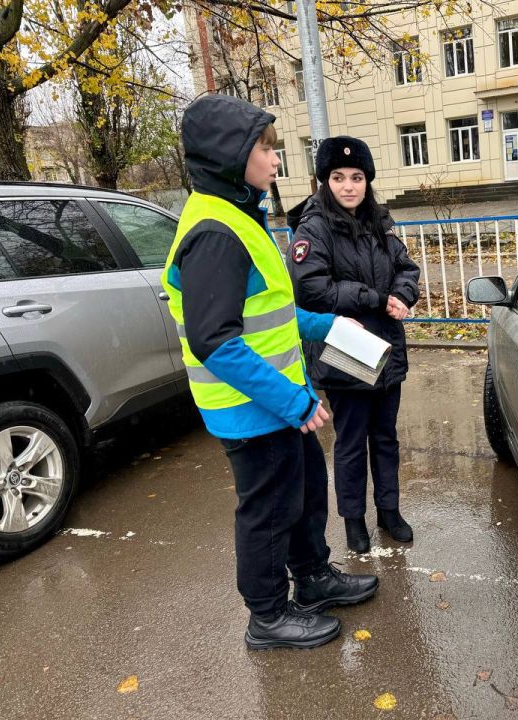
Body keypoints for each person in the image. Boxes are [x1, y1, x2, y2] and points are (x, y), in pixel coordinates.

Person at [161, 96, 377, 651]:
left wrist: (324, 324)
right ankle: (268, 615)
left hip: (276, 403)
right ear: (232, 154)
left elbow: (271, 308)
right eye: (264, 147)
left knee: (304, 493)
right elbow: (216, 342)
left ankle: (312, 579)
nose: (274, 158)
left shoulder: (238, 214)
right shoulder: (215, 233)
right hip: (253, 412)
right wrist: (296, 403)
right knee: (267, 511)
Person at [287, 136, 421, 554]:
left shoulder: (379, 222)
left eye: (357, 177)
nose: (349, 186)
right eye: (339, 177)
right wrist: (376, 299)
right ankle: (353, 521)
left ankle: (389, 510)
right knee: (350, 442)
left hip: (384, 348)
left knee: (385, 437)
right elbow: (312, 290)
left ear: (368, 180)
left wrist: (404, 294)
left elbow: (406, 267)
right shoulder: (313, 228)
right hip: (345, 352)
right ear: (325, 181)